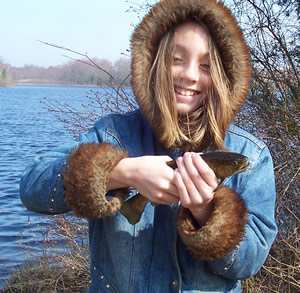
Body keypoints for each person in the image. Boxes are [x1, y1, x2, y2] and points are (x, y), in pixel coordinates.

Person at [20, 0, 278, 292]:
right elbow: (32, 188)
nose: (190, 75)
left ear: (223, 76)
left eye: (206, 65)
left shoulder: (252, 157)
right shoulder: (112, 134)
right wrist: (119, 172)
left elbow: (250, 262)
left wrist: (208, 212)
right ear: (154, 64)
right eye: (176, 59)